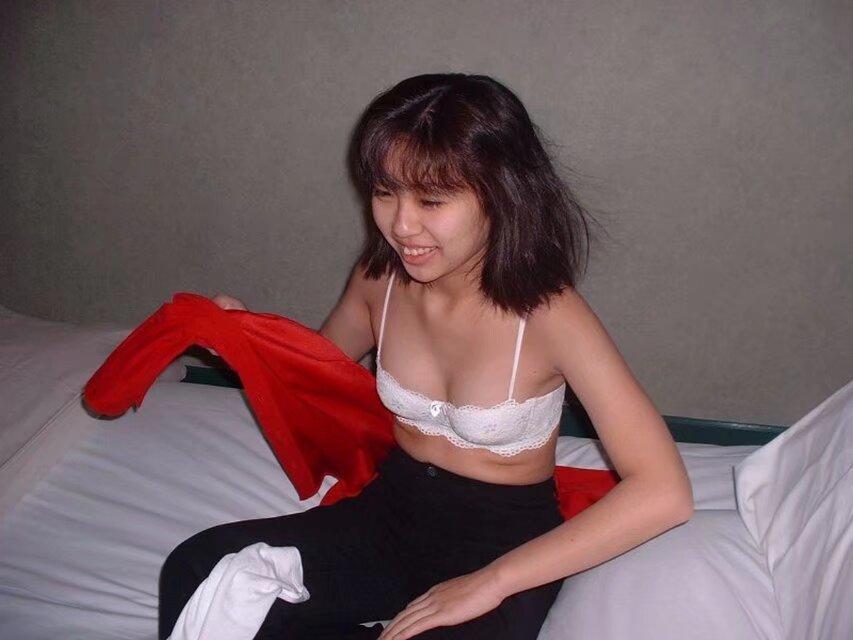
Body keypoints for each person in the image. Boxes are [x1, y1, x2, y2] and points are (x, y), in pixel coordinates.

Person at [159, 73, 694, 640]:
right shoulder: (379, 281)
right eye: (385, 192)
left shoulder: (550, 316)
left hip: (501, 546)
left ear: (501, 193)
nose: (401, 225)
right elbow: (315, 375)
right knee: (199, 570)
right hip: (389, 517)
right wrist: (244, 345)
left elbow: (664, 491)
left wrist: (492, 582)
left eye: (431, 200)